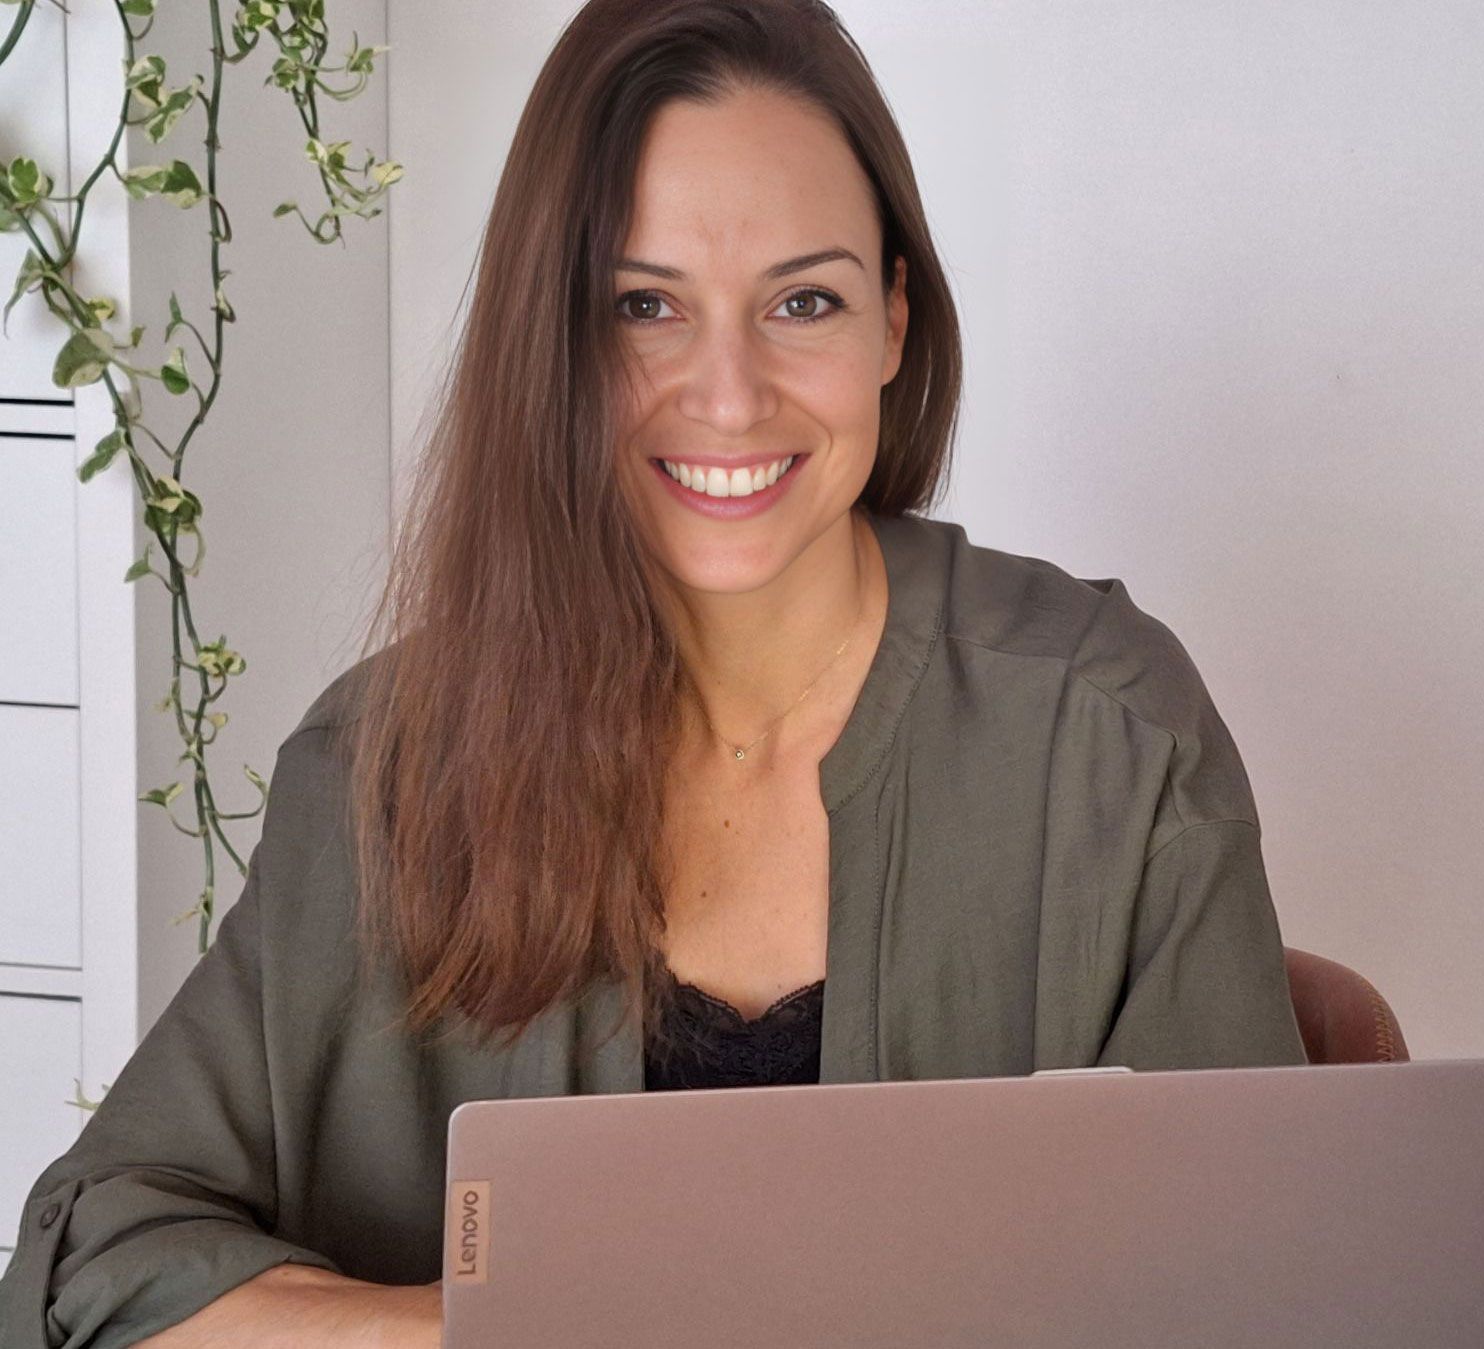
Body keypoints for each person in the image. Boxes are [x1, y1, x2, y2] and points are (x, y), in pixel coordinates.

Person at [0, 0, 1306, 1344]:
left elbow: (1264, 1278)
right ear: (551, 345)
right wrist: (466, 1329)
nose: (729, 396)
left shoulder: (1113, 739)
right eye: (644, 307)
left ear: (893, 324)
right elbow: (94, 1258)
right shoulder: (383, 767)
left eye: (804, 301)